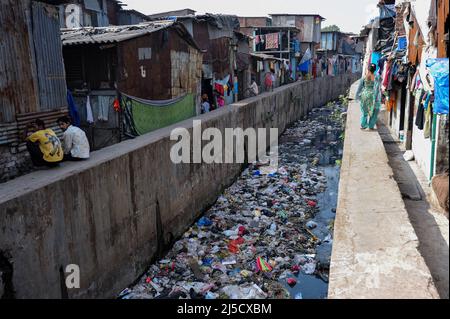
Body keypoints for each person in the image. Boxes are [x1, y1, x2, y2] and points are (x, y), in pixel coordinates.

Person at [356, 63, 382, 130]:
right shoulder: (377, 77)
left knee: (364, 111)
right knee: (374, 111)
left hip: (365, 95)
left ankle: (363, 125)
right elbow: (379, 87)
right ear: (375, 69)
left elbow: (359, 88)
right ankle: (371, 126)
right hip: (374, 95)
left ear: (368, 69)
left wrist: (357, 97)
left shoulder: (364, 77)